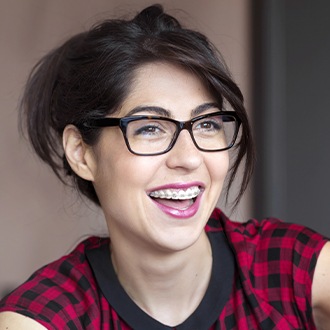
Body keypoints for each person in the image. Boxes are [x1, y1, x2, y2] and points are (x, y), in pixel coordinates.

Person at [0, 4, 329, 329]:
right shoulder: (45, 318)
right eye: (150, 128)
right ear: (81, 153)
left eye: (207, 124)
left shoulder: (292, 269)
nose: (188, 158)